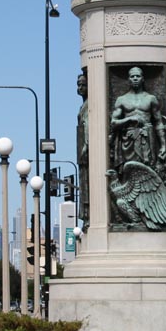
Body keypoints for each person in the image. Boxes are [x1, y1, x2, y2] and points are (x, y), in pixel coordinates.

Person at [109, 67, 166, 175]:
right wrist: (129, 119)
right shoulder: (121, 100)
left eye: (138, 76)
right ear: (129, 79)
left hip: (147, 137)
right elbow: (113, 123)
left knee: (147, 168)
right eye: (132, 76)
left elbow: (159, 123)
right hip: (128, 138)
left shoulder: (151, 98)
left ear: (143, 79)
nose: (135, 78)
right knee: (129, 170)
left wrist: (163, 146)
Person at [76, 71, 90, 227]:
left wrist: (87, 145)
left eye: (83, 85)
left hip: (87, 149)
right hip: (82, 150)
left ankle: (88, 216)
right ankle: (87, 216)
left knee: (87, 183)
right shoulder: (83, 106)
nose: (80, 88)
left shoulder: (90, 106)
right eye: (78, 85)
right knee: (84, 183)